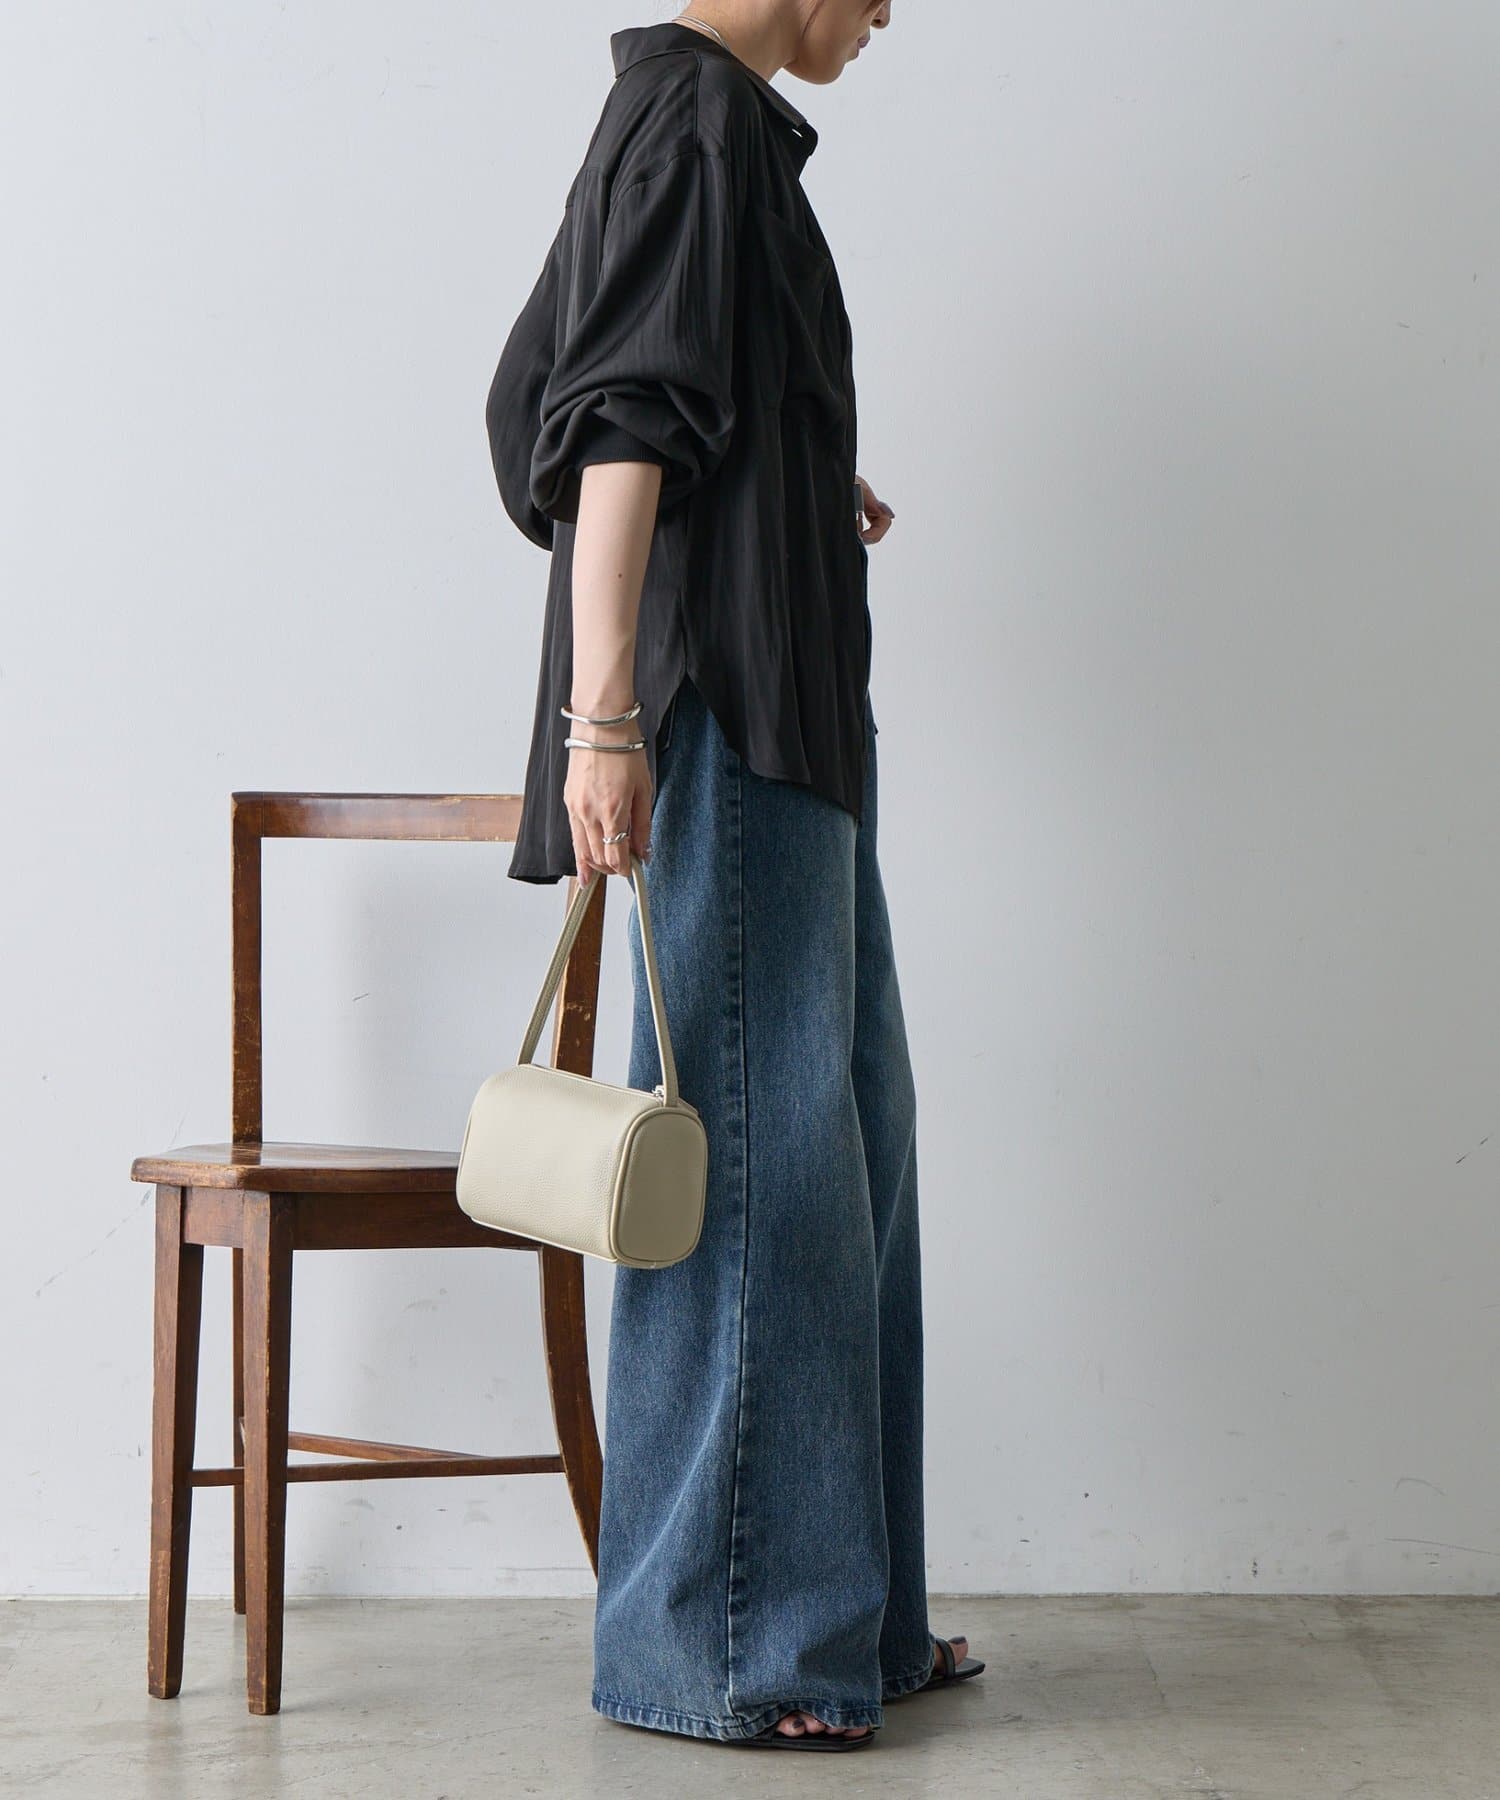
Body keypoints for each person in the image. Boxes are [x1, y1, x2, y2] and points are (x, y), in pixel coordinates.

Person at [485, 2, 982, 1754]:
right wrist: (602, 717)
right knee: (762, 1170)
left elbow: (594, 391)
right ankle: (741, 1650)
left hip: (788, 728)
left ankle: (852, 1620)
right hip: (724, 720)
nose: (890, 9)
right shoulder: (692, 125)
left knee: (845, 1151)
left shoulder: (709, 132)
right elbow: (605, 423)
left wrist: (788, 469)